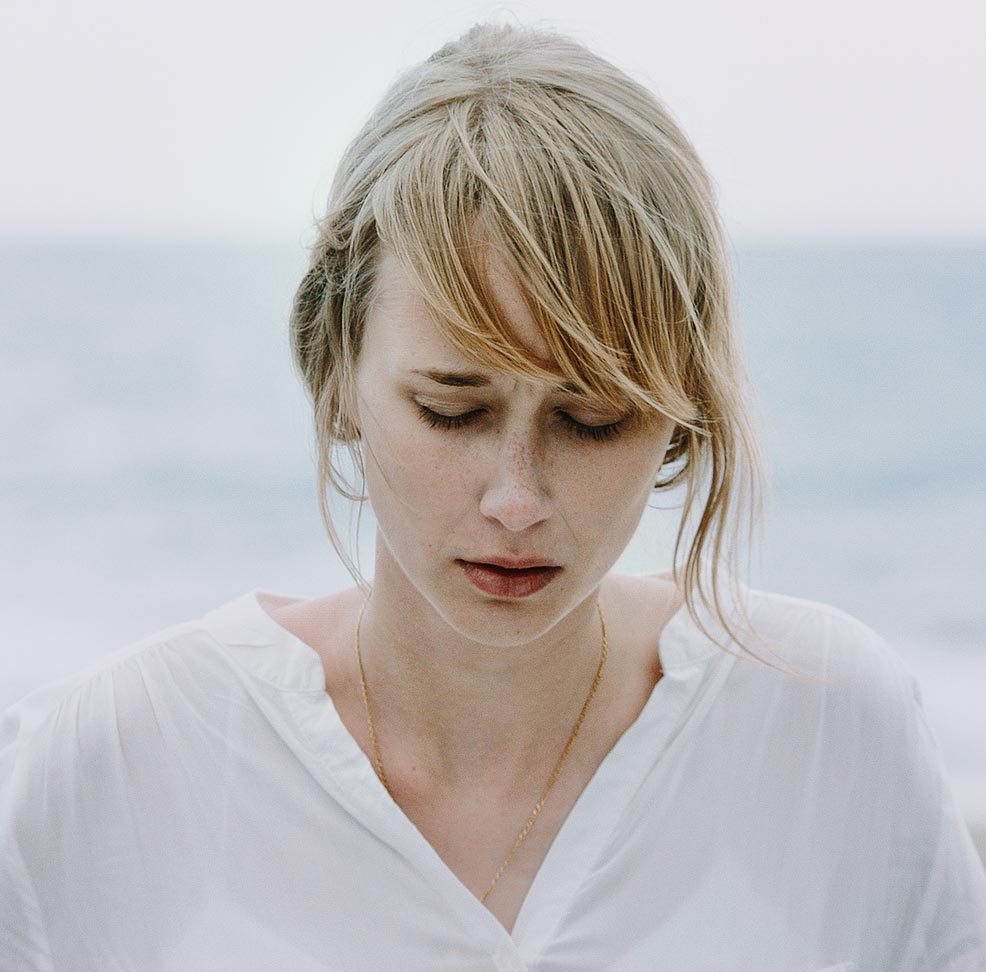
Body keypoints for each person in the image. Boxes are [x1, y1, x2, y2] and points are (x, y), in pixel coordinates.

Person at [2, 22, 984, 972]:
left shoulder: (823, 729)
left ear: (681, 414)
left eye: (592, 419)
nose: (517, 499)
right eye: (451, 410)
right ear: (335, 369)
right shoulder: (118, 766)